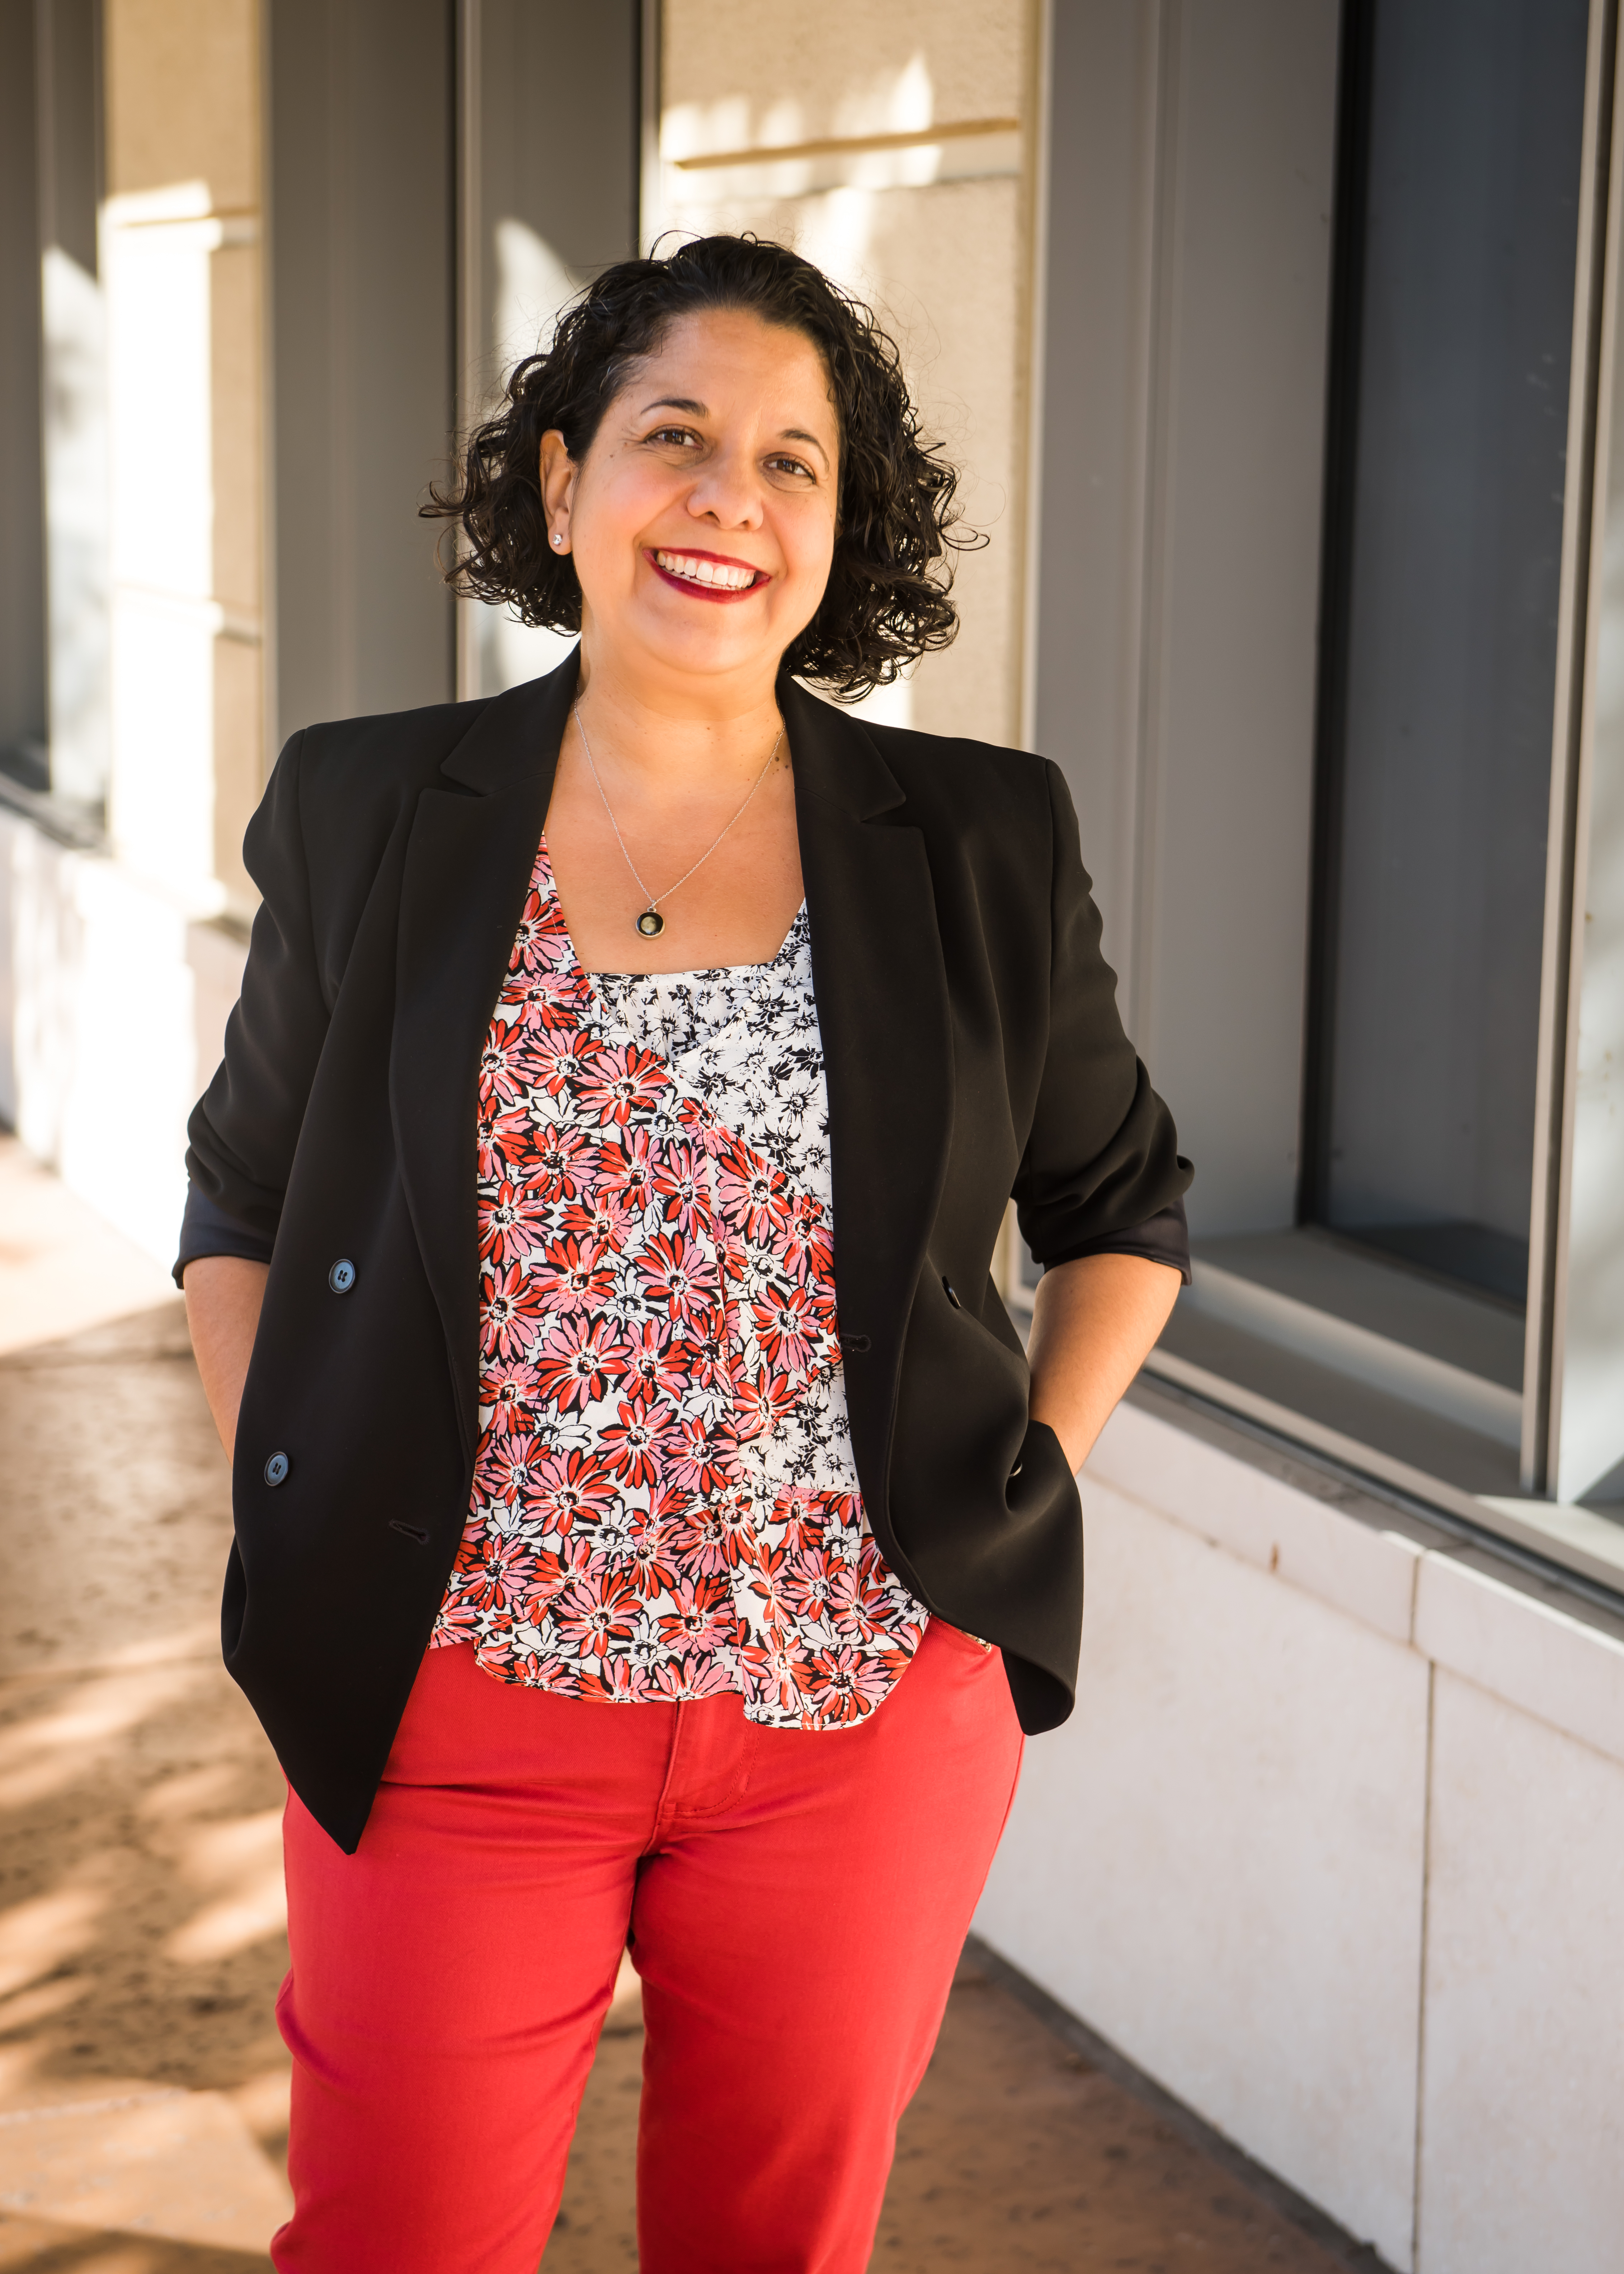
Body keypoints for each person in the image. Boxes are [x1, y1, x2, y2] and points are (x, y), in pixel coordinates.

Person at [178, 232, 1191, 2274]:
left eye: (794, 460)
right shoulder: (376, 808)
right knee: (398, 2243)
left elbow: (1123, 1208)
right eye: (676, 436)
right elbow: (246, 1203)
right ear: (562, 486)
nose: (732, 496)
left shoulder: (979, 838)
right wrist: (298, 1498)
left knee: (771, 2249)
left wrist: (1021, 1486)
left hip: (856, 1714)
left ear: (843, 525)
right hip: (455, 1696)